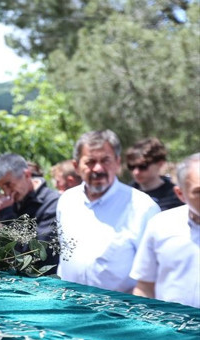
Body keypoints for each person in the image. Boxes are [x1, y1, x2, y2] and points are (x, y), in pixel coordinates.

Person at [56, 130, 160, 293]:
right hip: (70, 307)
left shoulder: (142, 207)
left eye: (106, 160)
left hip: (119, 312)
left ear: (118, 163)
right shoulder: (67, 201)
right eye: (90, 162)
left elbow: (153, 274)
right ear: (76, 167)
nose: (98, 168)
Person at [130, 154, 200, 308]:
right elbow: (145, 286)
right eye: (199, 192)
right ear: (180, 194)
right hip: (171, 329)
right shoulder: (161, 225)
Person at [0, 153, 60, 268]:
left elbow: (37, 251)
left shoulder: (52, 203)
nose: (7, 192)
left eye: (8, 184)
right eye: (2, 188)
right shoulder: (14, 202)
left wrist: (7, 215)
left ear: (27, 175)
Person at [124, 137, 182, 211]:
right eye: (131, 167)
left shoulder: (175, 196)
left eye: (143, 166)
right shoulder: (126, 193)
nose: (136, 172)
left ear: (160, 164)